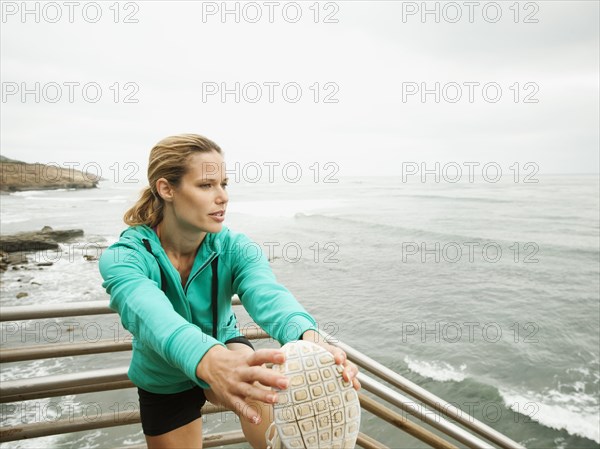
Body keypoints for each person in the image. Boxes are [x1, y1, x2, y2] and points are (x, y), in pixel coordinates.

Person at [98, 134, 360, 449]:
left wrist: (311, 342)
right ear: (166, 189)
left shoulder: (235, 247)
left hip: (226, 344)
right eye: (206, 185)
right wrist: (209, 359)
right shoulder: (124, 257)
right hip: (164, 372)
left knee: (264, 392)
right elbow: (151, 315)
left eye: (224, 184)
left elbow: (269, 295)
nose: (222, 197)